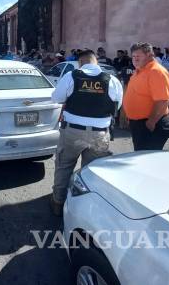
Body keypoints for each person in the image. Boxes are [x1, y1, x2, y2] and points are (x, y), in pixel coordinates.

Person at [49, 49, 122, 216]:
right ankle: (86, 208)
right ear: (95, 61)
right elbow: (117, 106)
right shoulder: (112, 80)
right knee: (92, 172)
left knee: (64, 166)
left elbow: (57, 98)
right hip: (100, 134)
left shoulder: (71, 76)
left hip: (72, 131)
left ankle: (58, 202)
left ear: (80, 62)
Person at [123, 42, 169, 151]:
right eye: (133, 56)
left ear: (150, 55)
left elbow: (162, 100)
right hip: (140, 124)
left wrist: (151, 122)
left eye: (138, 56)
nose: (135, 59)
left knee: (147, 158)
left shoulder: (156, 72)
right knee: (140, 155)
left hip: (151, 125)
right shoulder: (140, 70)